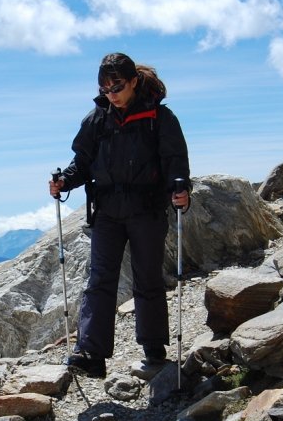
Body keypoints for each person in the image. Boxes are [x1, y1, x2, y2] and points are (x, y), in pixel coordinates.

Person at [49, 52, 191, 379]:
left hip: (147, 208)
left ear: (134, 82)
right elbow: (82, 163)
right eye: (105, 87)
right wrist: (64, 181)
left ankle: (154, 347)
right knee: (100, 280)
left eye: (117, 86)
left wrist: (181, 191)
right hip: (108, 212)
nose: (111, 93)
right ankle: (91, 354)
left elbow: (175, 163)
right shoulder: (97, 120)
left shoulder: (159, 117)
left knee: (148, 278)